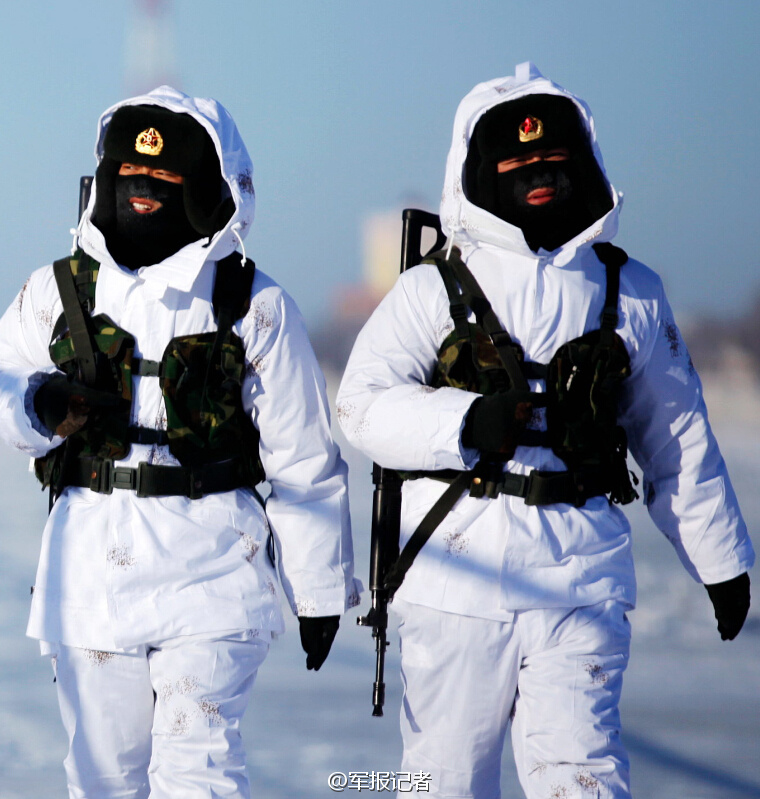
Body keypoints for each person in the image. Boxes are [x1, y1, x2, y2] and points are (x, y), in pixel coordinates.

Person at [337, 62, 753, 799]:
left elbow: (677, 436)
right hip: (456, 581)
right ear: (479, 170)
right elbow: (361, 405)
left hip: (581, 580)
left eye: (554, 161)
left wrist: (719, 561)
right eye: (517, 162)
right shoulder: (434, 286)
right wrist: (466, 421)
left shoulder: (631, 291)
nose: (538, 175)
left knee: (584, 780)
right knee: (443, 784)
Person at [0, 85, 361, 798]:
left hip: (215, 571)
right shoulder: (58, 290)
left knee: (199, 774)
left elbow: (304, 461)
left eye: (166, 180)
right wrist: (36, 403)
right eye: (132, 176)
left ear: (207, 190)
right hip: (90, 574)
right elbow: (4, 383)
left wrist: (319, 588)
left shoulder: (254, 305)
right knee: (102, 780)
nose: (145, 189)